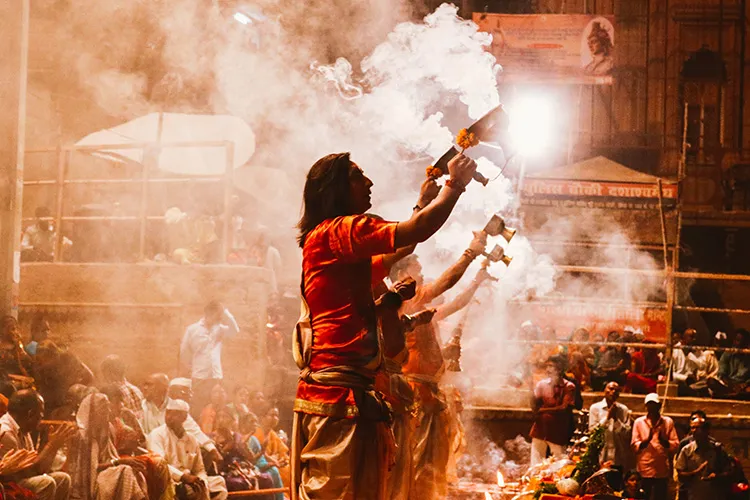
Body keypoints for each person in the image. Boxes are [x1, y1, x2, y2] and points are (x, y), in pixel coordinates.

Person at [291, 151, 477, 500]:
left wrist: (422, 201)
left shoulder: (335, 244)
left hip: (348, 394)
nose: (369, 182)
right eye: (358, 176)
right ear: (335, 189)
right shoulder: (339, 230)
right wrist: (455, 185)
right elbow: (417, 232)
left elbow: (403, 244)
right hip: (339, 398)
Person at [391, 237, 489, 500]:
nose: (422, 274)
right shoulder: (403, 300)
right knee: (416, 457)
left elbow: (455, 304)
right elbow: (446, 283)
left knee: (428, 460)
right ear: (402, 275)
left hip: (427, 388)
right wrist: (470, 252)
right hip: (415, 390)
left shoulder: (419, 307)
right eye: (417, 269)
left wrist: (477, 281)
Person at [68, 392, 156, 500]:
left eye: (109, 407)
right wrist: (120, 462)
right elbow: (89, 471)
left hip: (108, 473)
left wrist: (121, 463)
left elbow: (111, 458)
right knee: (125, 471)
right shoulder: (82, 437)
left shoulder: (107, 429)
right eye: (104, 408)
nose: (109, 412)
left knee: (136, 473)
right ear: (94, 412)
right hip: (89, 483)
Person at [0, 390, 76, 500]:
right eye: (40, 416)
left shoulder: (23, 430)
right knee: (46, 483)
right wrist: (51, 446)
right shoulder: (6, 432)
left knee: (63, 479)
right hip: (8, 486)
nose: (40, 421)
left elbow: (39, 469)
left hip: (20, 479)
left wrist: (53, 447)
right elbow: (28, 472)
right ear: (30, 414)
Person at [147, 399, 228, 500]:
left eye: (174, 414)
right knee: (187, 490)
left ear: (184, 418)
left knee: (219, 482)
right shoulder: (157, 435)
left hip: (191, 480)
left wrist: (202, 482)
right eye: (167, 413)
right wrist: (184, 477)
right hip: (170, 481)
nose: (168, 417)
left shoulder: (191, 439)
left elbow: (199, 469)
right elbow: (159, 466)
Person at [140, 377, 223, 466]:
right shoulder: (141, 406)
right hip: (151, 448)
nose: (145, 388)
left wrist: (212, 449)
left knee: (203, 452)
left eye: (150, 385)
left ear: (163, 388)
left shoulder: (176, 407)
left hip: (174, 449)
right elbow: (140, 432)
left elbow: (194, 430)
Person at [180, 302, 239, 417]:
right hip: (199, 377)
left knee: (217, 410)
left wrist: (225, 312)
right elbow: (184, 352)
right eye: (217, 315)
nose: (219, 319)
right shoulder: (192, 330)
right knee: (199, 409)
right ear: (209, 314)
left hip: (216, 377)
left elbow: (235, 330)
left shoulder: (220, 329)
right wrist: (191, 368)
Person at [631, 393, 679, 500]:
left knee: (660, 496)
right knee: (643, 496)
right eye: (649, 405)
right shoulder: (639, 422)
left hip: (661, 470)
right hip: (644, 469)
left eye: (654, 405)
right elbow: (634, 446)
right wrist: (647, 440)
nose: (652, 407)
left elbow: (675, 445)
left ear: (659, 405)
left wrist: (664, 442)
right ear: (646, 406)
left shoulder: (668, 422)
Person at [530, 356, 576, 465]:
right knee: (536, 460)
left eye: (551, 366)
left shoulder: (568, 386)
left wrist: (543, 410)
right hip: (540, 427)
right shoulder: (542, 384)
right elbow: (534, 401)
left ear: (560, 369)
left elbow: (563, 408)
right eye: (547, 366)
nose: (548, 369)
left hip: (557, 429)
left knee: (559, 461)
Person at [676, 414, 733, 500]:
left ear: (707, 431)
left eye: (698, 428)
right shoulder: (687, 450)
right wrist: (695, 472)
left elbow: (729, 471)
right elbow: (680, 475)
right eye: (692, 428)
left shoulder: (717, 450)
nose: (694, 431)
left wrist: (717, 476)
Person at [33, 340, 94, 417]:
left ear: (53, 355)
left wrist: (76, 389)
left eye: (45, 359)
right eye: (39, 360)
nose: (42, 363)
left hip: (67, 400)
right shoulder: (40, 366)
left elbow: (89, 376)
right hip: (49, 401)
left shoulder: (68, 359)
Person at [588, 381, 633, 471]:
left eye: (616, 390)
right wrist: (607, 418)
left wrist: (616, 419)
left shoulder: (623, 410)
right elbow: (592, 431)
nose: (613, 392)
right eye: (611, 389)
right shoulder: (595, 408)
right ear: (604, 390)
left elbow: (627, 433)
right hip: (601, 455)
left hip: (618, 456)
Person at [239, 413, 283, 500]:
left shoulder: (254, 439)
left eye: (255, 421)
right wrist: (269, 462)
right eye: (251, 421)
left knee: (275, 470)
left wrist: (271, 463)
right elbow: (251, 460)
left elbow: (261, 459)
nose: (254, 424)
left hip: (258, 466)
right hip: (246, 467)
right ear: (243, 424)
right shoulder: (240, 438)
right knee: (273, 472)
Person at [253, 406, 290, 487]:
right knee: (282, 472)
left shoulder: (272, 433)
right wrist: (274, 462)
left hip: (276, 463)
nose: (275, 418)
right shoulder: (256, 432)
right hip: (261, 465)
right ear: (262, 417)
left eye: (276, 416)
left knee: (291, 468)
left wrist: (284, 461)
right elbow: (260, 454)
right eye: (272, 415)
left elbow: (282, 452)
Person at [709, 329, 750, 399]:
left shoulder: (748, 356)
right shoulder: (727, 354)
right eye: (736, 340)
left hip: (743, 386)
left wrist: (743, 385)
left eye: (740, 341)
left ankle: (729, 395)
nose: (737, 343)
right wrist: (732, 386)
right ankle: (733, 395)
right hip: (729, 385)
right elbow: (722, 374)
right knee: (711, 381)